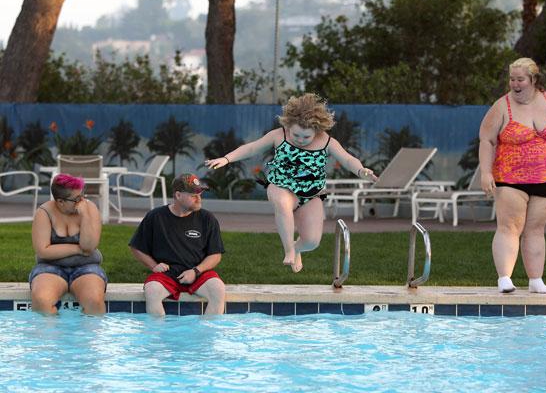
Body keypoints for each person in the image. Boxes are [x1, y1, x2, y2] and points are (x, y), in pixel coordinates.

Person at [205, 93, 378, 273]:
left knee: (312, 242)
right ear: (288, 125)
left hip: (311, 194)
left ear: (317, 130)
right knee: (282, 202)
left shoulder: (327, 141)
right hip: (281, 185)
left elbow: (348, 159)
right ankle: (288, 250)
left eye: (306, 137)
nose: (300, 140)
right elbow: (251, 148)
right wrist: (227, 159)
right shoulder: (279, 135)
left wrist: (361, 170)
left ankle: (296, 249)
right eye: (296, 135)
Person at [479, 57, 546, 294]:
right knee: (510, 227)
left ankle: (536, 280)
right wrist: (485, 172)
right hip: (510, 178)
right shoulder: (502, 106)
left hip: (544, 179)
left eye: (520, 79)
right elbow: (487, 139)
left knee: (535, 228)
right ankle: (504, 278)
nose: (515, 84)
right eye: (512, 79)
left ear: (533, 79)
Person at [129, 173, 226, 315]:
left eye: (200, 193)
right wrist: (154, 266)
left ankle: (207, 335)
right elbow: (136, 247)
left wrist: (196, 271)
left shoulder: (207, 219)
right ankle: (160, 335)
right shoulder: (156, 217)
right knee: (152, 290)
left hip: (198, 273)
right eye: (194, 194)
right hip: (167, 275)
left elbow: (215, 255)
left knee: (218, 289)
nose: (199, 198)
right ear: (178, 195)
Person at [30, 173, 107, 315]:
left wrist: (85, 216)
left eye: (83, 195)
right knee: (42, 301)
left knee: (94, 302)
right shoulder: (44, 212)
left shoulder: (89, 209)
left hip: (86, 266)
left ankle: (87, 337)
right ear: (60, 201)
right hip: (50, 267)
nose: (82, 201)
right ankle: (53, 336)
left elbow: (89, 246)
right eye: (76, 199)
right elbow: (43, 251)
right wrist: (78, 249)